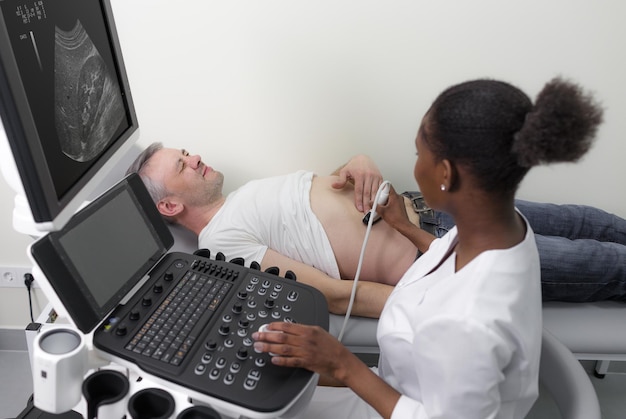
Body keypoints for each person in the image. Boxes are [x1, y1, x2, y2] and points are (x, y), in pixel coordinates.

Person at [252, 77, 602, 418]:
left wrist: (343, 365)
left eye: (419, 153)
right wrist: (403, 226)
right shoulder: (499, 230)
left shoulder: (468, 323)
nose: (415, 165)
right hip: (399, 386)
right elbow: (446, 257)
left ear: (446, 174)